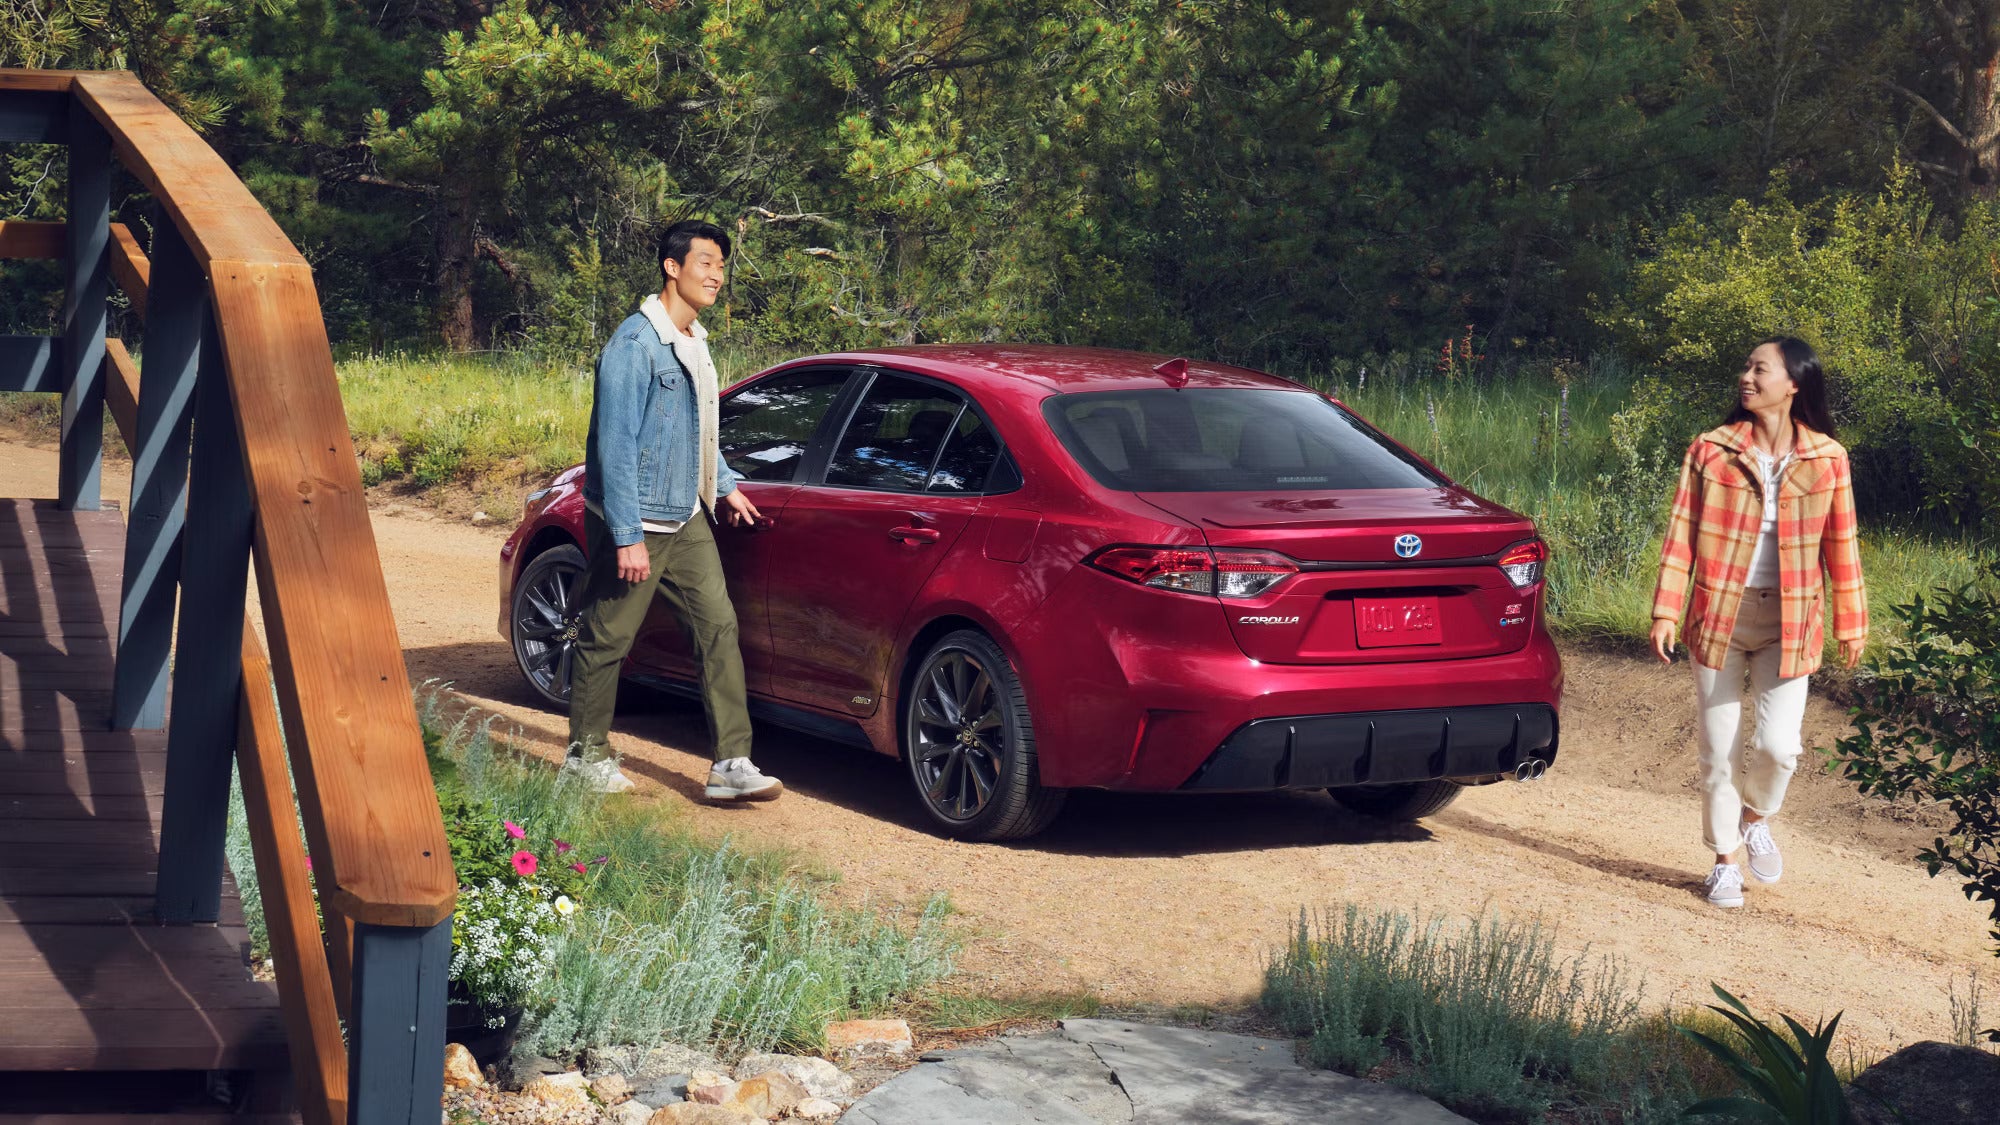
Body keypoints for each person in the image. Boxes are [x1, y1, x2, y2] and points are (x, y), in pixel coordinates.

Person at [562, 219, 783, 802]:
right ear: (672, 266)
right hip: (635, 521)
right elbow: (616, 445)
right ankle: (584, 757)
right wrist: (628, 534)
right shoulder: (635, 345)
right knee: (607, 638)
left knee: (718, 628)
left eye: (721, 266)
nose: (716, 275)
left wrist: (727, 485)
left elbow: (697, 431)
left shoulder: (695, 342)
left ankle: (731, 764)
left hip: (686, 516)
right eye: (705, 263)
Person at [1650, 337, 1867, 908]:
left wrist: (1851, 620)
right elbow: (1680, 536)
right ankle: (1724, 861)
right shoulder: (1710, 450)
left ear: (1793, 384)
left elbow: (1841, 544)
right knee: (1718, 749)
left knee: (1779, 748)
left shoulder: (1827, 458)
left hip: (1792, 620)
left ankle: (1755, 817)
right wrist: (1666, 609)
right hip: (1719, 615)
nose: (1745, 376)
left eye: (1758, 369)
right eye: (1745, 366)